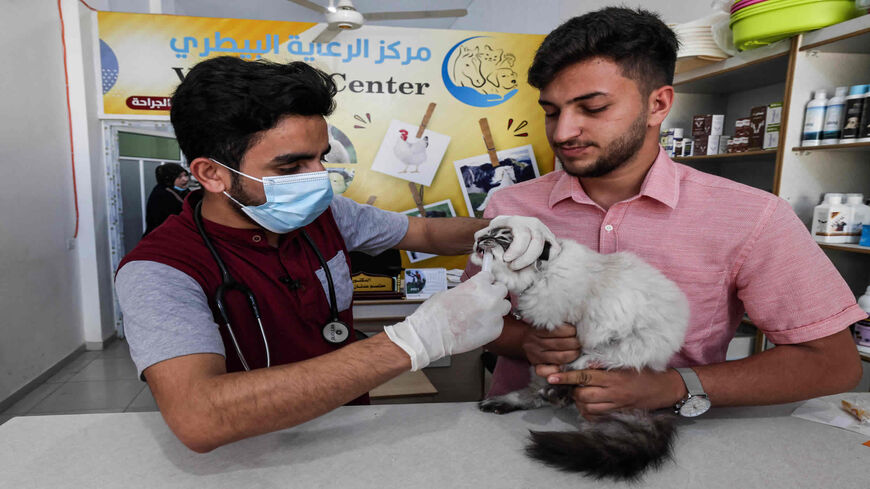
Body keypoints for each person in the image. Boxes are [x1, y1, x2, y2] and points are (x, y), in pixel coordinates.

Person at [114, 56, 556, 453]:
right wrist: (414, 340)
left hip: (347, 432)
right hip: (250, 453)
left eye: (321, 158)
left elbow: (424, 231)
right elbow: (199, 417)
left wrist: (498, 231)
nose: (318, 179)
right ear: (211, 174)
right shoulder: (159, 270)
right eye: (291, 167)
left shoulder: (326, 214)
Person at [468, 7, 865, 420]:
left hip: (668, 443)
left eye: (593, 108)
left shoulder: (753, 217)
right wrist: (528, 341)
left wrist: (676, 385)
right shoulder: (509, 209)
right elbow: (476, 321)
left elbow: (833, 363)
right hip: (519, 431)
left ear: (658, 104)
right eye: (551, 111)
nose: (563, 132)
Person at [144, 163, 191, 235]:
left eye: (185, 175)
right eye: (179, 177)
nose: (185, 179)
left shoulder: (184, 191)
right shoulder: (161, 195)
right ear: (169, 179)